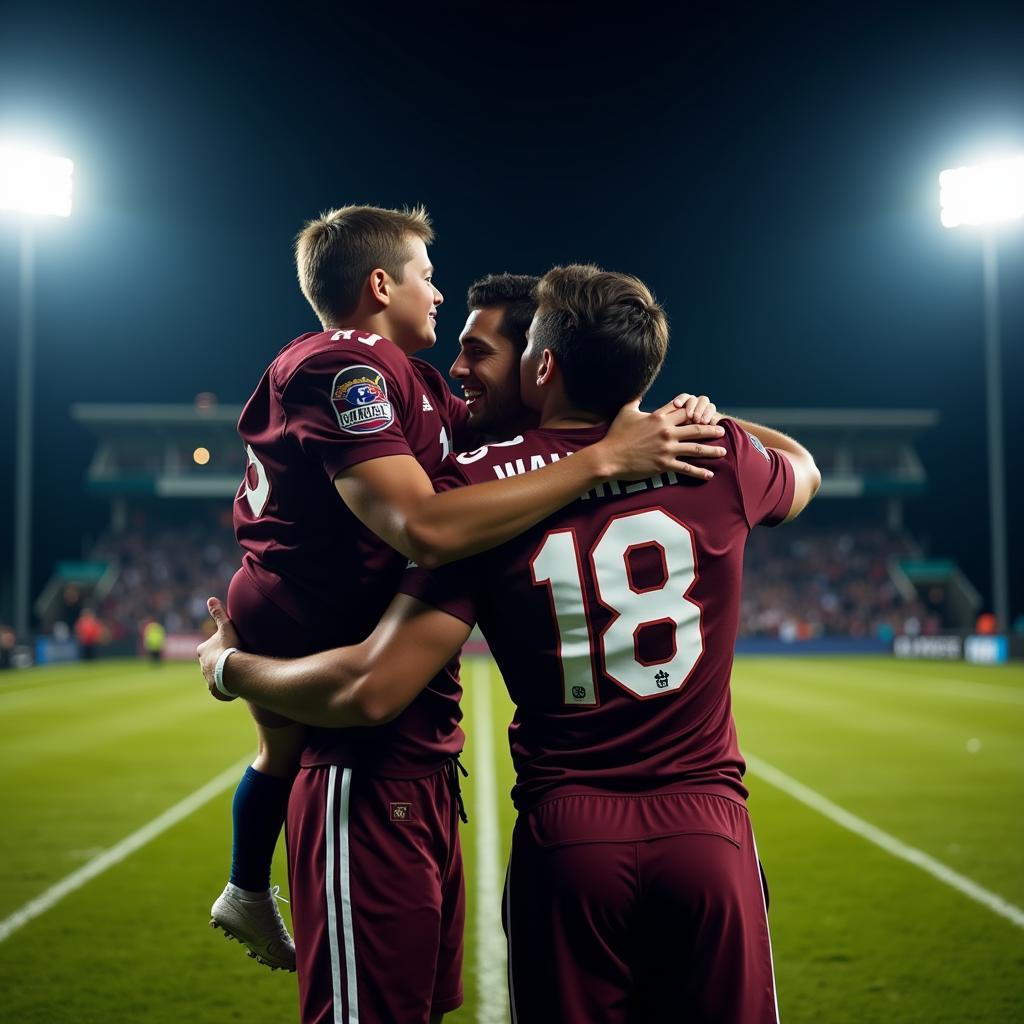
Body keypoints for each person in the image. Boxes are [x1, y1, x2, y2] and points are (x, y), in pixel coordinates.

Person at [198, 263, 821, 1023]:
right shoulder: (715, 457)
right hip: (709, 827)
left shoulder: (475, 493)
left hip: (570, 835)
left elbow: (372, 686)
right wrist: (691, 414)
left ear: (544, 363)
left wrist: (228, 666)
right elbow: (806, 469)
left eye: (482, 352)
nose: (458, 370)